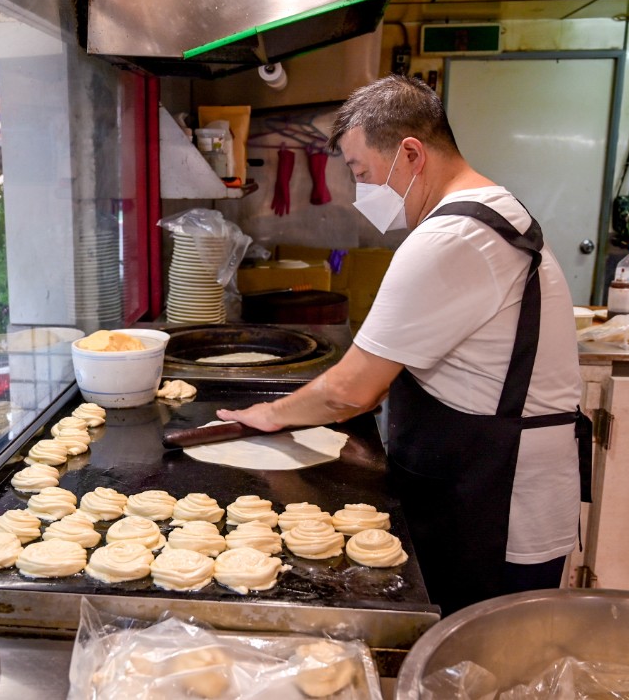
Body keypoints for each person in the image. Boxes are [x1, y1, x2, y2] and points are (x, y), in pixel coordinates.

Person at [218, 75, 585, 616]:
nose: (362, 190)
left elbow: (352, 391)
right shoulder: (492, 210)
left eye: (362, 173)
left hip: (494, 502)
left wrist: (271, 416)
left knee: (478, 663)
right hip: (493, 482)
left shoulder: (451, 237)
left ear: (411, 153)